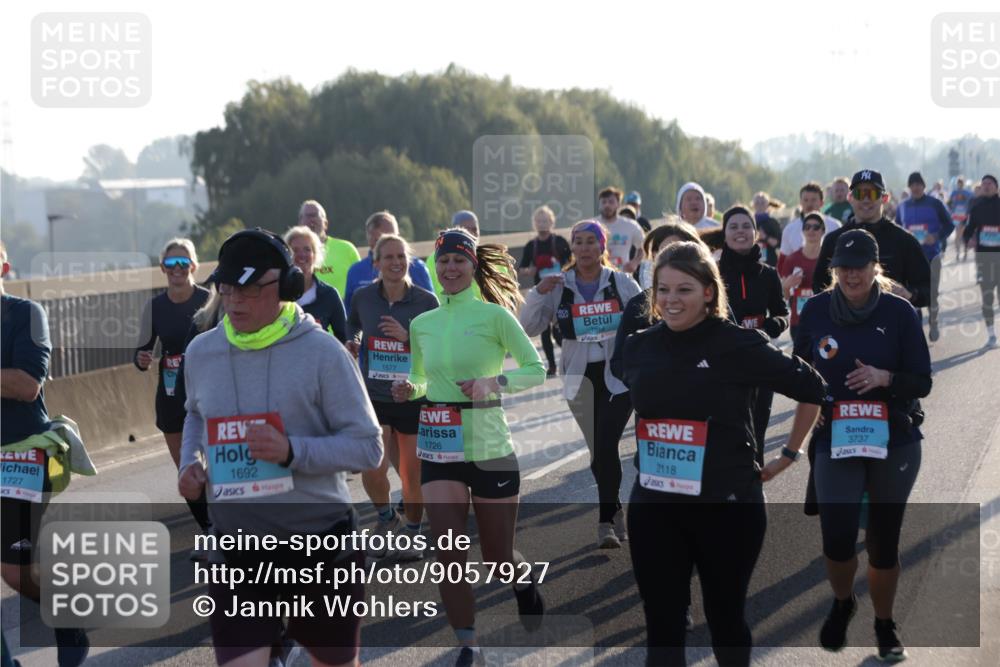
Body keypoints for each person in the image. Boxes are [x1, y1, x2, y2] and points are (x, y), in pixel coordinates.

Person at [177, 228, 383, 667]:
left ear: (286, 287)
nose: (234, 301)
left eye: (250, 290)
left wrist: (291, 451)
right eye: (227, 288)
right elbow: (194, 413)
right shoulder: (201, 353)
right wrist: (189, 462)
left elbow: (368, 448)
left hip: (319, 544)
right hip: (235, 546)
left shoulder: (324, 354)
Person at [616, 241, 826, 667]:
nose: (671, 301)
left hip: (727, 507)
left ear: (709, 292)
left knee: (724, 620)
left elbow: (814, 388)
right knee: (662, 627)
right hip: (655, 506)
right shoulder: (639, 346)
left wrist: (789, 454)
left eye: (684, 290)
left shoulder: (737, 345)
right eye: (663, 290)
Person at [391, 228, 545, 666]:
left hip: (490, 445)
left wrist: (492, 382)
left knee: (497, 557)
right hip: (440, 448)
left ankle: (521, 580)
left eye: (459, 261)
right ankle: (467, 644)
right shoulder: (422, 323)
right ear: (435, 268)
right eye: (443, 262)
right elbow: (422, 378)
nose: (450, 269)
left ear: (473, 266)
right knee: (448, 552)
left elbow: (537, 368)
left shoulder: (495, 317)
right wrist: (411, 386)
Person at [792, 229, 931, 661]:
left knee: (883, 543)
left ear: (876, 268)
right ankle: (842, 601)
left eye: (860, 267)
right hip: (836, 434)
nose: (851, 275)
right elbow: (797, 370)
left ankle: (885, 625)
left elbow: (922, 381)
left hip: (894, 435)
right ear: (833, 271)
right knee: (836, 537)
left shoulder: (901, 312)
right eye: (843, 268)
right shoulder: (815, 310)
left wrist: (885, 378)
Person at [520, 220, 642, 548]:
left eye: (592, 242)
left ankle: (604, 521)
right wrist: (536, 293)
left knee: (604, 444)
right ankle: (615, 508)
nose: (585, 248)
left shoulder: (621, 282)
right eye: (579, 242)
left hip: (617, 378)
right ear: (571, 248)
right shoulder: (559, 286)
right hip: (579, 380)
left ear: (603, 247)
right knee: (597, 450)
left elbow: (647, 318)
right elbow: (528, 327)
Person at [1, 241, 90, 667]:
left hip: (21, 454)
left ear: (3, 267)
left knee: (15, 571)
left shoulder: (26, 314)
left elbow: (26, 385)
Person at [347, 234, 438, 561]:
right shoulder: (363, 297)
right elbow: (353, 326)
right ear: (376, 263)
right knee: (372, 466)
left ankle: (412, 532)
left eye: (401, 256)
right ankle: (386, 517)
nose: (396, 262)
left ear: (409, 261)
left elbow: (440, 352)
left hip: (414, 395)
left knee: (411, 475)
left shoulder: (427, 302)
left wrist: (407, 338)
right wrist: (354, 341)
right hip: (375, 395)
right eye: (388, 257)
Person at [134, 239, 212, 534]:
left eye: (183, 263)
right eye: (170, 264)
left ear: (193, 266)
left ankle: (226, 531)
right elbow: (142, 352)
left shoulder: (209, 300)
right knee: (187, 473)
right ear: (162, 268)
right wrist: (141, 359)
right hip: (170, 397)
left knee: (215, 468)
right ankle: (209, 531)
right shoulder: (155, 306)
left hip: (207, 392)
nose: (177, 269)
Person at [718, 206, 789, 466]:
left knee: (757, 433)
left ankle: (754, 492)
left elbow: (783, 313)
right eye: (733, 226)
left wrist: (772, 326)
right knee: (728, 433)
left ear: (755, 232)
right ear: (724, 234)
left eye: (746, 226)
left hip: (761, 361)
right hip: (724, 364)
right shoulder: (712, 273)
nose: (740, 232)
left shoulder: (768, 274)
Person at [813, 169, 931, 313]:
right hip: (846, 325)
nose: (866, 199)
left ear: (885, 198)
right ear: (850, 197)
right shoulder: (833, 240)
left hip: (893, 324)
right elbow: (819, 287)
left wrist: (910, 294)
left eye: (873, 194)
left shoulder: (904, 240)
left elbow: (928, 290)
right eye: (860, 194)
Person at [896, 172, 954, 342]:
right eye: (912, 184)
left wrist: (935, 237)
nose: (915, 187)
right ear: (909, 187)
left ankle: (933, 321)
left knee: (931, 294)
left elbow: (949, 225)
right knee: (913, 294)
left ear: (924, 186)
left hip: (931, 256)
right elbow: (897, 229)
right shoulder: (902, 206)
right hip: (911, 258)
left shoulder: (935, 204)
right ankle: (918, 330)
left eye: (918, 184)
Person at [518, 205, 572, 376]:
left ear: (552, 222)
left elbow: (572, 263)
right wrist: (530, 271)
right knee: (544, 331)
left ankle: (569, 358)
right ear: (534, 223)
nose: (542, 224)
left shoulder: (560, 242)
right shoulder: (531, 246)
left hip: (560, 291)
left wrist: (560, 267)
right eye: (539, 221)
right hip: (541, 293)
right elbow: (522, 268)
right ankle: (552, 366)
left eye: (545, 221)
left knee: (559, 328)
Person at [343, 211, 433, 311]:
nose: (388, 244)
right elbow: (349, 313)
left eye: (392, 238)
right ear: (369, 239)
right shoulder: (356, 271)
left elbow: (431, 311)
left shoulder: (417, 267)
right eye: (380, 240)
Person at [283, 226, 348, 342]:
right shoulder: (277, 294)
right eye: (295, 250)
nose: (301, 255)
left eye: (307, 249)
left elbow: (344, 337)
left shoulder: (329, 295)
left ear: (315, 254)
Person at [962, 174, 1000, 347]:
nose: (986, 186)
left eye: (989, 183)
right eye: (983, 183)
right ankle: (991, 335)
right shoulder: (976, 206)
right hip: (984, 258)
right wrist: (968, 239)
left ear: (996, 187)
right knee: (987, 298)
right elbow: (967, 230)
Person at [298, 199, 361, 299]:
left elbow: (360, 283)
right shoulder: (293, 253)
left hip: (344, 312)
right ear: (300, 223)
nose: (311, 220)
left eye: (314, 215)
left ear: (325, 224)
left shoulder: (347, 249)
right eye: (307, 216)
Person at [778, 212, 824, 342]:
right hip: (799, 321)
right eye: (807, 227)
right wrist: (786, 286)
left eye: (816, 227)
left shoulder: (828, 259)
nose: (811, 230)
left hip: (823, 320)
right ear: (802, 231)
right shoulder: (792, 259)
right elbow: (784, 297)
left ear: (822, 231)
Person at [780, 182, 842, 257]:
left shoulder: (835, 226)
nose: (809, 204)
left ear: (822, 203)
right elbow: (782, 262)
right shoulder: (789, 229)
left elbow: (841, 256)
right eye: (806, 200)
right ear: (800, 203)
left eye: (813, 200)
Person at [599, 187, 646, 274]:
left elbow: (644, 246)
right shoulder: (593, 225)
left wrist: (634, 263)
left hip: (622, 276)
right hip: (598, 276)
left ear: (618, 204)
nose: (607, 205)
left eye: (611, 202)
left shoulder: (630, 225)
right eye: (604, 202)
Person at [751, 192, 782, 267]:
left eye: (762, 202)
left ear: (767, 205)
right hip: (751, 260)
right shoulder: (748, 221)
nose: (760, 205)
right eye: (757, 202)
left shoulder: (773, 222)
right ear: (753, 205)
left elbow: (779, 244)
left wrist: (765, 237)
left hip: (769, 262)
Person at [948, 177, 975, 262]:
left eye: (961, 183)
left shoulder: (967, 193)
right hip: (956, 216)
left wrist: (969, 210)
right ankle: (958, 253)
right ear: (957, 184)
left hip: (964, 216)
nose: (959, 184)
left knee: (963, 235)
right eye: (958, 183)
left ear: (963, 184)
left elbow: (973, 199)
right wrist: (951, 208)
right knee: (957, 235)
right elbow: (949, 202)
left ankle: (965, 252)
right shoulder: (954, 193)